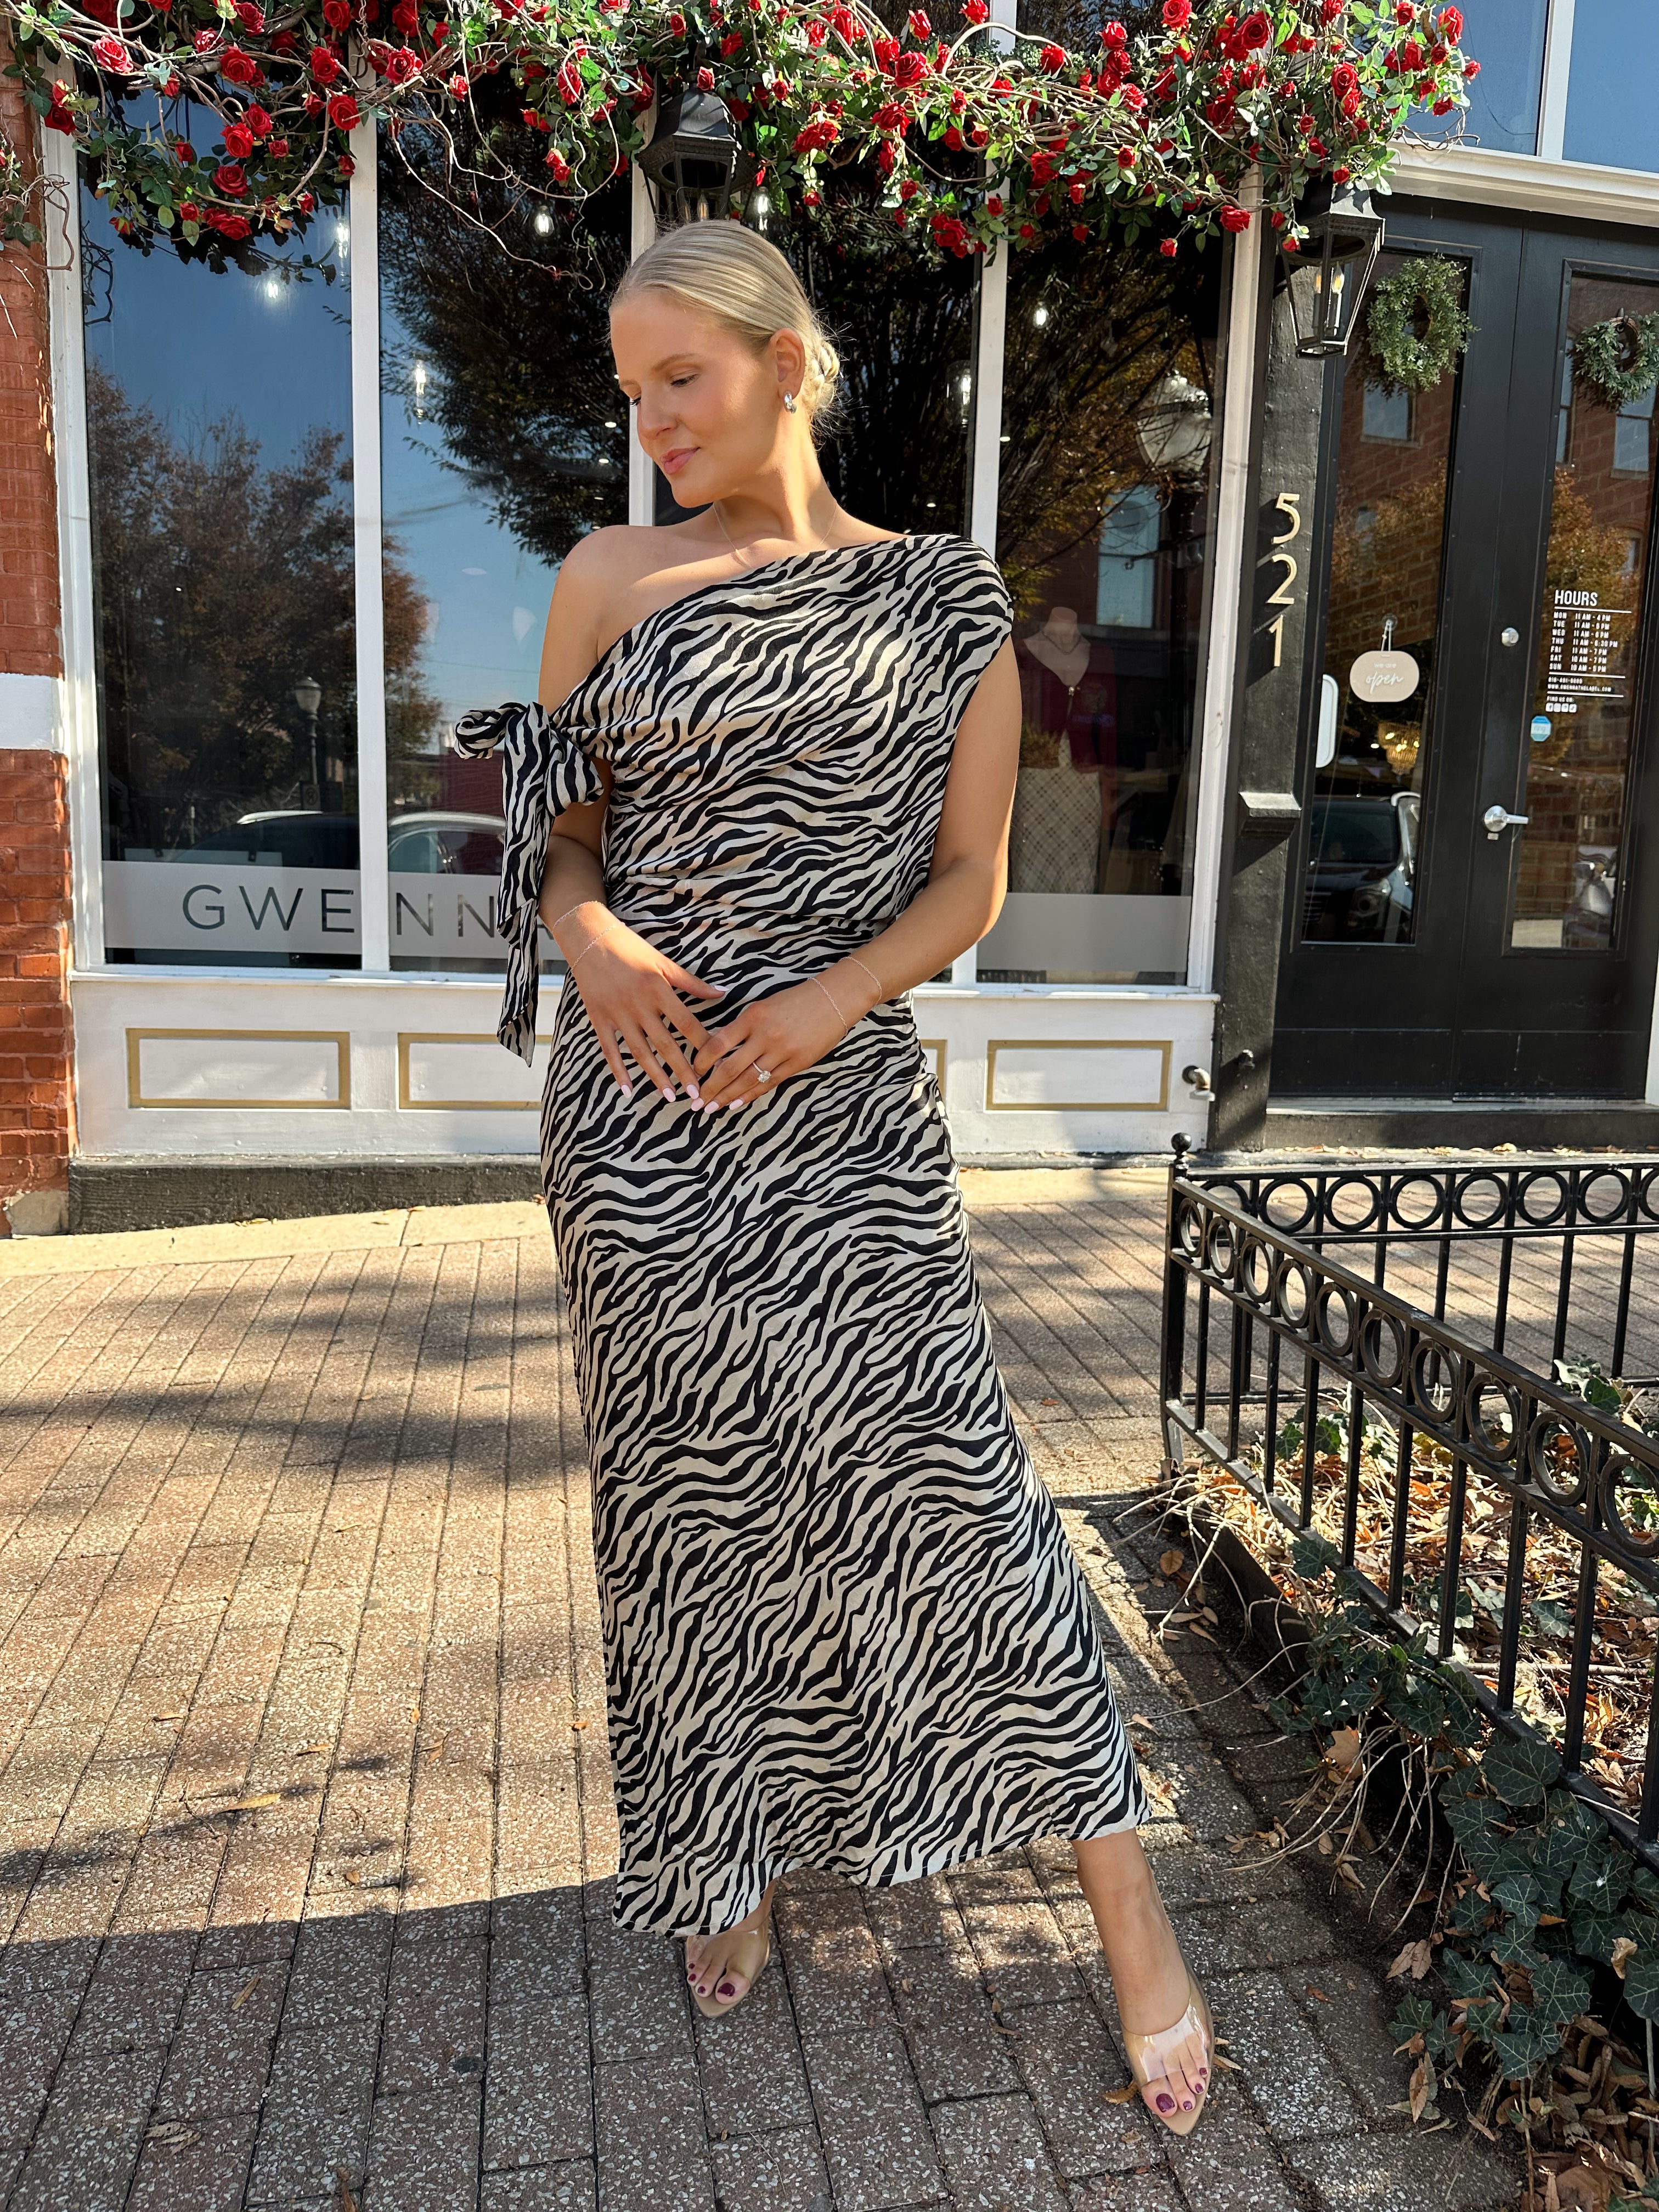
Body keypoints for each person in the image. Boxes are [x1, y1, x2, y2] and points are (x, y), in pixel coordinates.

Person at [454, 220, 1212, 2136]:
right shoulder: (605, 581)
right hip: (640, 1123)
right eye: (632, 397)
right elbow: (561, 846)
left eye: (680, 382)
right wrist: (600, 944)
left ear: (786, 359)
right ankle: (727, 1856)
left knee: (952, 1488)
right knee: (694, 1504)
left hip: (844, 1105)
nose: (654, 429)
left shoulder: (949, 603)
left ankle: (1130, 1903)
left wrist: (819, 1006)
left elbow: (971, 881)